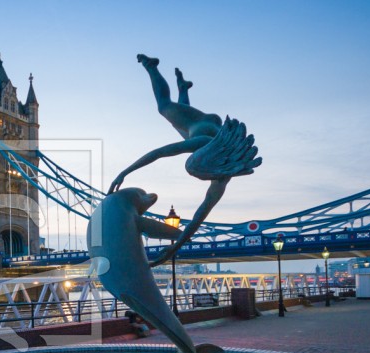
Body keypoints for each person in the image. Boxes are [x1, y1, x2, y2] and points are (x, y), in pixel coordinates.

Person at [108, 55, 261, 267]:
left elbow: (200, 214)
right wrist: (125, 172)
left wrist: (175, 246)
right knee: (164, 107)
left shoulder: (222, 176)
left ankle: (183, 88)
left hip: (203, 130)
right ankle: (151, 66)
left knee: (178, 126)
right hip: (203, 123)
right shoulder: (203, 142)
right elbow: (161, 152)